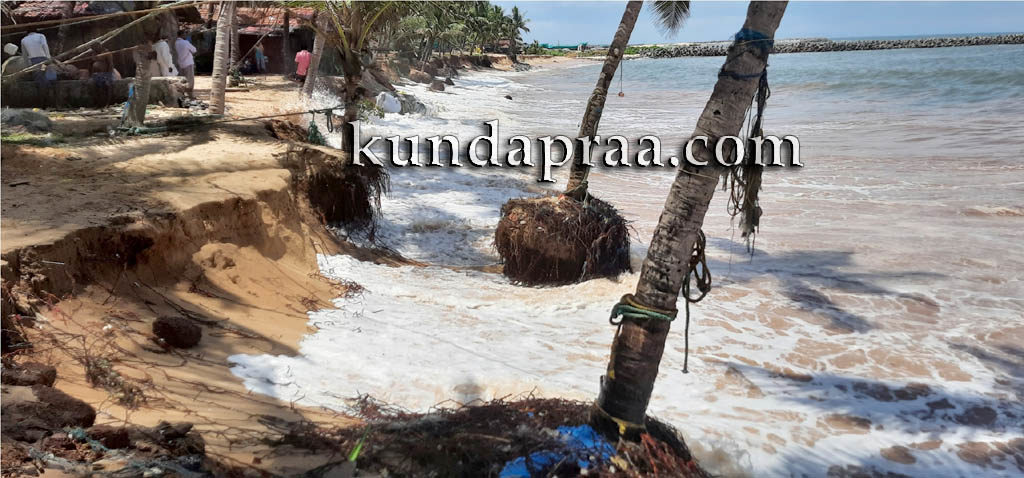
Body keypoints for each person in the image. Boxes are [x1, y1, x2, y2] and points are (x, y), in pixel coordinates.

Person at [174, 31, 197, 97]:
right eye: (184, 34)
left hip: (180, 63)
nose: (185, 36)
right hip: (188, 63)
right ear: (181, 35)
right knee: (189, 79)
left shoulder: (176, 43)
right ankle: (190, 94)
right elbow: (194, 50)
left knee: (182, 79)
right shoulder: (186, 42)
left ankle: (182, 94)